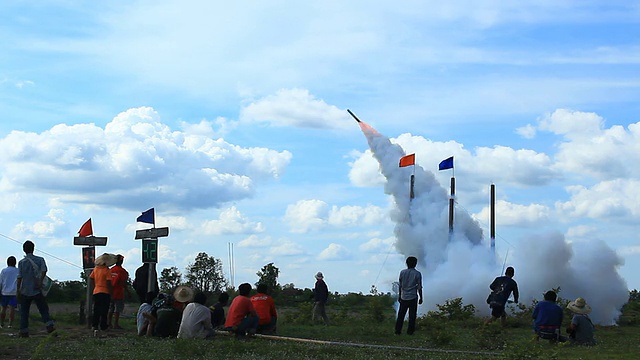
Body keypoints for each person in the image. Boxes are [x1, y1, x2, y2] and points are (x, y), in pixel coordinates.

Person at [16, 240, 55, 337]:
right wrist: (40, 281)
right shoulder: (40, 259)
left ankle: (24, 331)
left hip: (25, 289)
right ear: (33, 249)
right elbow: (44, 270)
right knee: (43, 309)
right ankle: (49, 326)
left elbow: (19, 277)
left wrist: (18, 290)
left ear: (24, 250)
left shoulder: (21, 263)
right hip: (37, 289)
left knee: (24, 312)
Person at [395, 256, 423, 335]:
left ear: (407, 263)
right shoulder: (417, 273)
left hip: (404, 297)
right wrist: (421, 297)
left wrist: (399, 295)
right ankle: (410, 332)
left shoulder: (402, 272)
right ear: (415, 264)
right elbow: (419, 287)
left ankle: (397, 331)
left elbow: (400, 285)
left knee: (401, 315)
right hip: (413, 297)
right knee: (412, 316)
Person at [89, 253, 114, 334]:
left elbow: (91, 278)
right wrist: (111, 293)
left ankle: (94, 325)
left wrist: (95, 286)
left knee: (96, 309)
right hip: (105, 292)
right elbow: (108, 282)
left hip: (96, 291)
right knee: (104, 310)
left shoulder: (96, 269)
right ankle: (103, 326)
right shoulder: (107, 270)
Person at [108, 254, 129, 329]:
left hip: (110, 292)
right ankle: (115, 324)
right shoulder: (122, 271)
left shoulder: (111, 270)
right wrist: (128, 292)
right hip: (119, 293)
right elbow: (123, 282)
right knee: (117, 309)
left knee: (111, 308)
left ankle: (109, 323)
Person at [0, 256, 18, 329]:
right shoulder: (18, 270)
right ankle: (10, 324)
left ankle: (1, 323)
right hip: (14, 292)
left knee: (3, 308)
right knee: (12, 308)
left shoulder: (4, 271)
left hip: (4, 292)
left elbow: (0, 282)